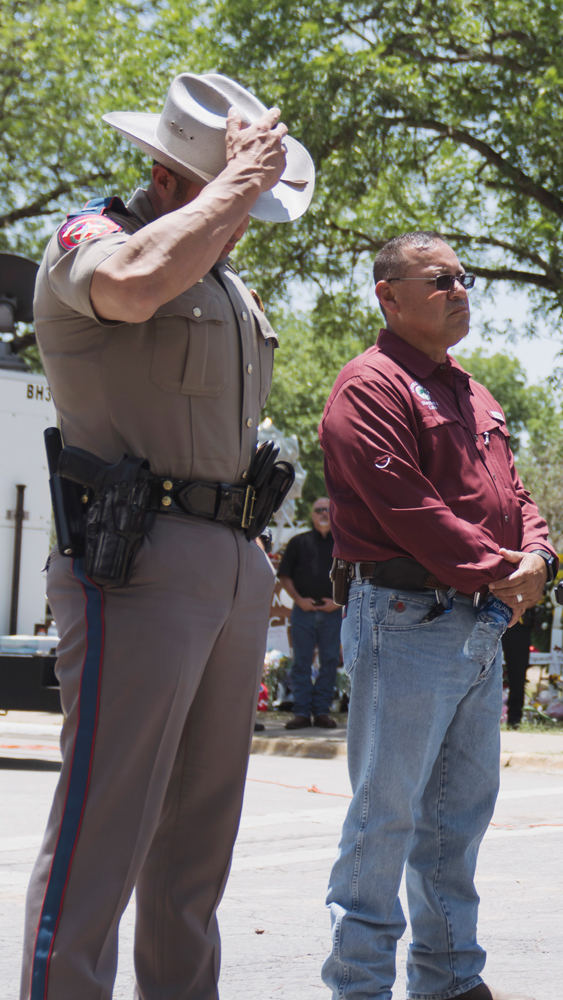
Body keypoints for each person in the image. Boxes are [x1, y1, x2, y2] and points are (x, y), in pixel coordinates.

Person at [21, 71, 308, 1000]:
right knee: (105, 829)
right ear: (177, 177)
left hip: (228, 561)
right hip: (136, 560)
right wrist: (235, 185)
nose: (248, 214)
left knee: (196, 845)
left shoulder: (221, 271)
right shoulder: (94, 238)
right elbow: (135, 286)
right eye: (238, 193)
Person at [318, 232, 557, 1000]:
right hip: (404, 614)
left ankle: (451, 980)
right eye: (442, 279)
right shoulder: (371, 386)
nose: (461, 290)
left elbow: (516, 498)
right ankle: (359, 986)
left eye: (466, 278)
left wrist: (541, 560)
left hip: (477, 622)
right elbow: (410, 510)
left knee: (457, 821)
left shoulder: (472, 390)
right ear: (389, 294)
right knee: (385, 816)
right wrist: (502, 569)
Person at [279, 496, 343, 729]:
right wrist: (299, 600)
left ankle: (322, 712)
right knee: (301, 662)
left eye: (328, 509)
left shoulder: (342, 543)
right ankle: (302, 713)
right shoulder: (298, 542)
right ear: (312, 514)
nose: (324, 513)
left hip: (332, 612)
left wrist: (338, 602)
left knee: (330, 661)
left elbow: (353, 575)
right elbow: (284, 575)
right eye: (319, 510)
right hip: (303, 611)